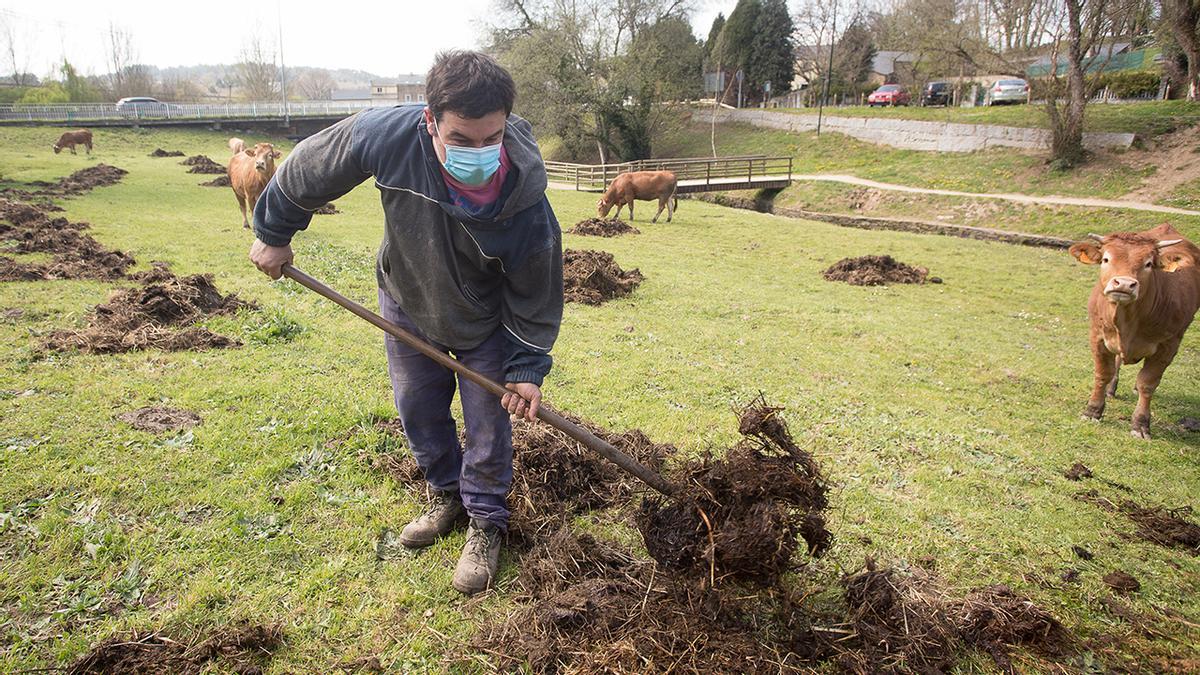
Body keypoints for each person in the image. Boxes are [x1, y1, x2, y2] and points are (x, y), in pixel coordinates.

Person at [247, 50, 563, 595]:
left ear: (506, 123)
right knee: (417, 406)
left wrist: (527, 365)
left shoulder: (527, 202)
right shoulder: (388, 136)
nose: (480, 153)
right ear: (430, 121)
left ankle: (486, 520)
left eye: (492, 138)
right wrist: (275, 231)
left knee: (488, 422)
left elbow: (535, 293)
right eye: (461, 140)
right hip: (407, 297)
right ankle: (445, 495)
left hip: (483, 320)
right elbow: (309, 167)